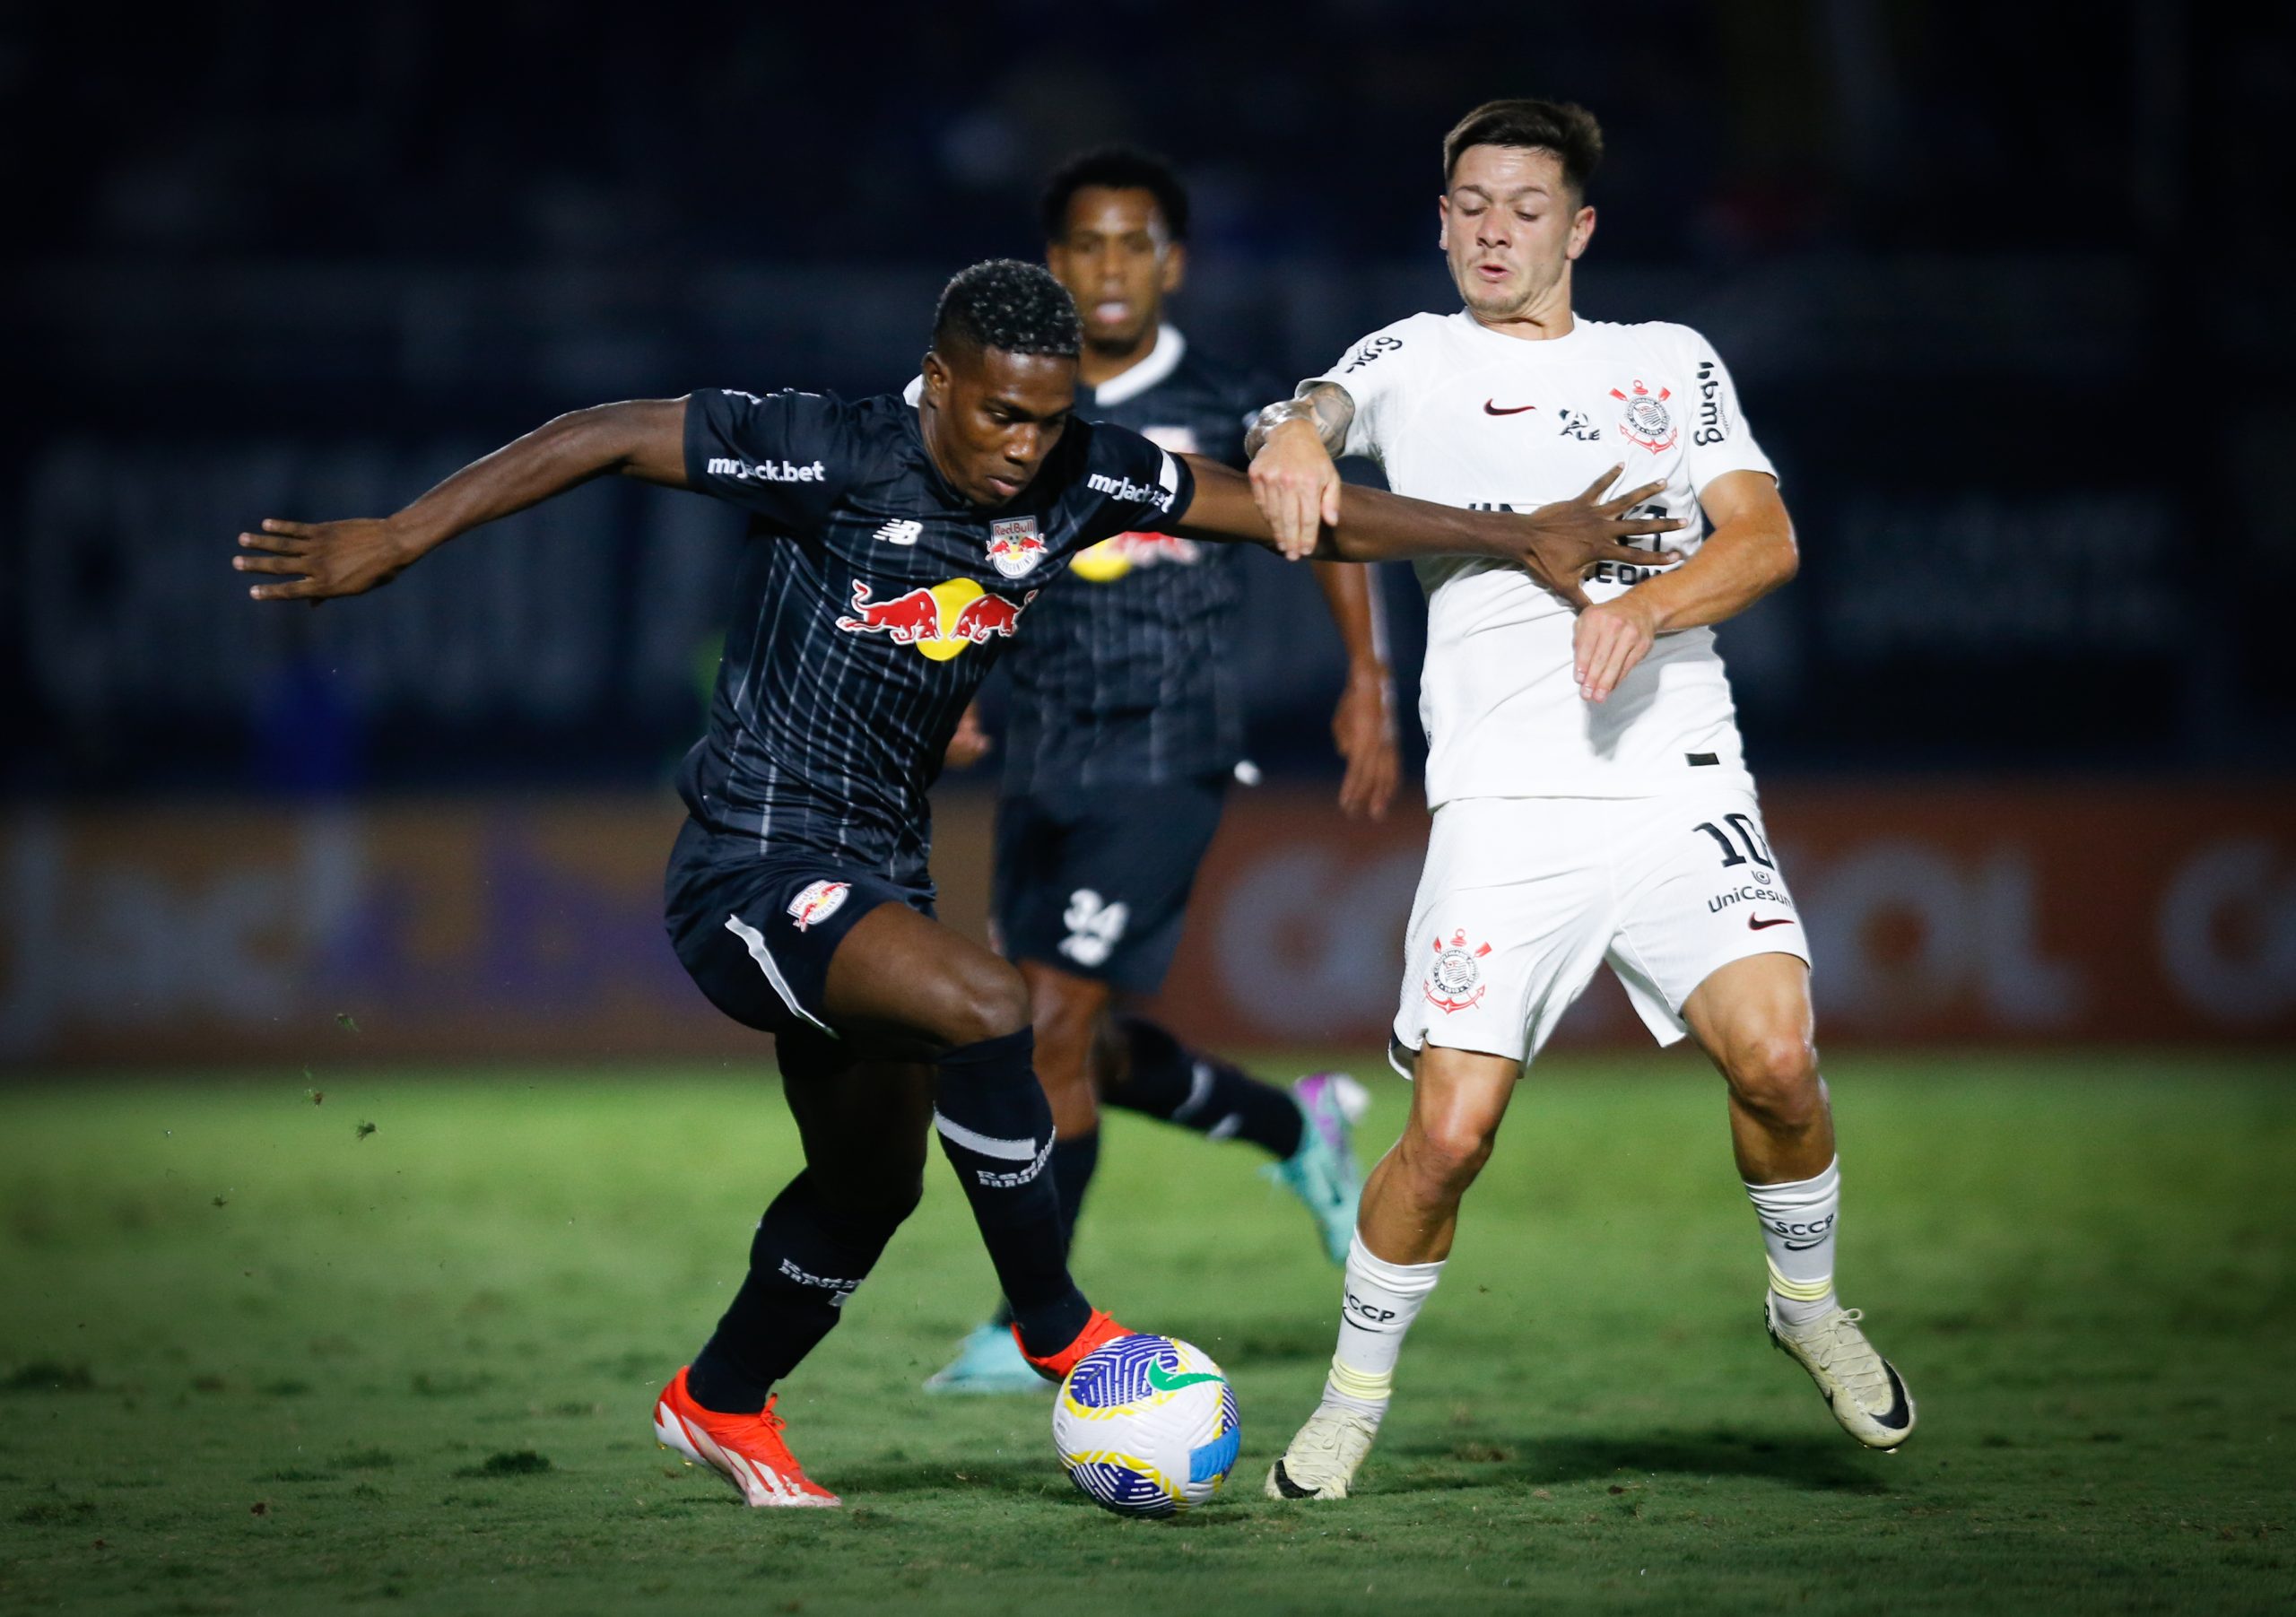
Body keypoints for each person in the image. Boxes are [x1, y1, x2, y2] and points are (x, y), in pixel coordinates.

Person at [232, 256, 1685, 1508]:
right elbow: (611, 431)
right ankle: (1061, 1329)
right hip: (746, 863)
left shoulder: (1083, 477)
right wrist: (401, 537)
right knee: (992, 1005)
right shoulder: (828, 451)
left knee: (867, 1187)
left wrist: (1520, 537)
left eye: (1046, 418)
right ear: (936, 381)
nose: (1019, 446)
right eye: (998, 411)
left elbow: (1296, 515)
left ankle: (721, 1400)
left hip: (877, 875)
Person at [1244, 99, 1917, 1502]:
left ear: (1580, 227)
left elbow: (1770, 537)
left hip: (1676, 774)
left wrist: (1651, 606)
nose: (1495, 229)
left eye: (1527, 206)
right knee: (1447, 1140)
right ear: (1442, 223)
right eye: (1471, 205)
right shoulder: (1416, 357)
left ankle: (1807, 1304)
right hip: (1504, 803)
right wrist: (1296, 434)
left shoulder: (1667, 363)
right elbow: (1317, 410)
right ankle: (1352, 1404)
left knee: (1781, 1062)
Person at [925, 149, 1399, 1395]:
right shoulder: (1017, 403)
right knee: (1064, 1040)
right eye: (1088, 245)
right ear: (1055, 263)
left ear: (1172, 263)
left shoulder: (1234, 399)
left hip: (1168, 748)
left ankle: (1036, 1328)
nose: (1112, 268)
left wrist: (1366, 678)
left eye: (1136, 245)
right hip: (1044, 752)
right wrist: (955, 685)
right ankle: (1297, 1128)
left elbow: (1332, 519)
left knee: (1048, 1034)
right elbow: (966, 552)